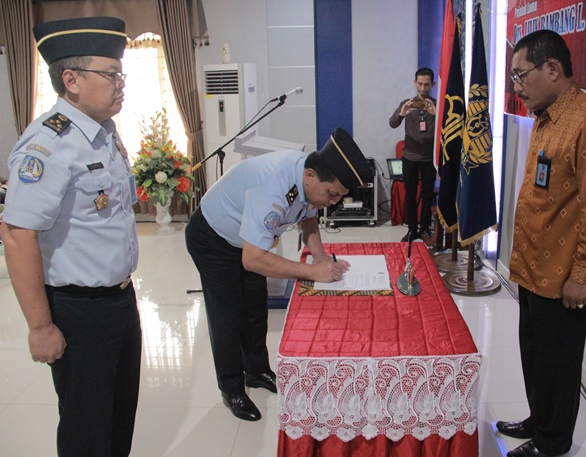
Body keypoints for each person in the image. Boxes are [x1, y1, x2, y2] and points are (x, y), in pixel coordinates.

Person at [0, 17, 141, 456]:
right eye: (111, 74)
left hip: (120, 299)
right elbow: (18, 233)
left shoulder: (104, 134)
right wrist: (41, 327)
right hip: (79, 311)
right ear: (71, 79)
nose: (121, 84)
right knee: (86, 429)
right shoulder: (48, 145)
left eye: (121, 74)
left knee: (119, 417)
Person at [185, 127, 373, 421]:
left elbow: (308, 219)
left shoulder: (306, 177)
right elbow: (253, 258)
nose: (333, 202)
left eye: (339, 197)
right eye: (332, 194)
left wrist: (322, 258)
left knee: (255, 308)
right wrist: (312, 272)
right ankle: (231, 389)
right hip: (213, 238)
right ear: (311, 176)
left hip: (244, 241)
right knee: (227, 315)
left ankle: (257, 371)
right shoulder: (274, 186)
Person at [498, 30, 586, 457]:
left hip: (564, 274)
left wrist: (582, 274)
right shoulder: (547, 118)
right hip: (532, 267)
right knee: (534, 353)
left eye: (520, 75)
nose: (516, 86)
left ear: (552, 69)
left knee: (558, 362)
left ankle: (552, 442)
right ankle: (539, 418)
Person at [389, 67, 438, 245]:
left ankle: (424, 228)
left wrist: (437, 114)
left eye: (427, 84)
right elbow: (392, 123)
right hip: (409, 157)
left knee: (427, 195)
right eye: (420, 84)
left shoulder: (437, 105)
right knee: (410, 195)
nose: (423, 88)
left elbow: (448, 128)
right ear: (415, 83)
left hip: (429, 160)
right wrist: (402, 114)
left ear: (433, 84)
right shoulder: (407, 103)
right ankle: (412, 229)